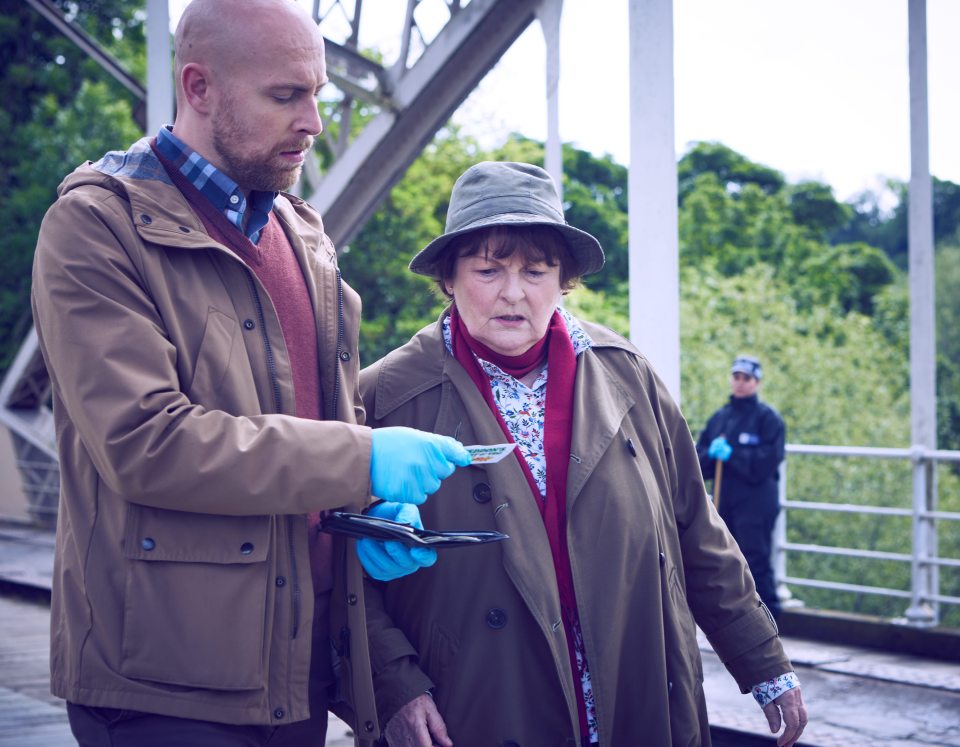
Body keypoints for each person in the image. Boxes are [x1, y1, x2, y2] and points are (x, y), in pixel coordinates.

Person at [29, 1, 470, 745]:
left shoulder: (304, 233)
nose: (315, 122)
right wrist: (362, 462)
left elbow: (320, 434)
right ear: (199, 89)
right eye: (285, 95)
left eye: (319, 94)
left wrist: (364, 515)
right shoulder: (94, 228)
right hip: (165, 690)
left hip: (296, 675)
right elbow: (147, 443)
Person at [357, 161, 809, 746]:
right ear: (449, 276)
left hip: (630, 682)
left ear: (564, 279)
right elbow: (335, 569)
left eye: (537, 271)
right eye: (488, 270)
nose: (513, 293)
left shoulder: (626, 374)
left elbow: (697, 527)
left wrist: (762, 659)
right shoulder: (384, 396)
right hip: (476, 698)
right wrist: (394, 685)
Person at [697, 355, 787, 620]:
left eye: (746, 378)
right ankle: (736, 617)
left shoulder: (768, 419)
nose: (740, 382)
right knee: (725, 559)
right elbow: (699, 463)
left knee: (756, 558)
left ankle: (771, 618)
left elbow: (767, 462)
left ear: (756, 382)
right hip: (726, 501)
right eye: (736, 377)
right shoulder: (719, 419)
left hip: (757, 503)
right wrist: (710, 455)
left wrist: (733, 455)